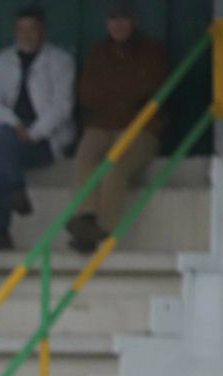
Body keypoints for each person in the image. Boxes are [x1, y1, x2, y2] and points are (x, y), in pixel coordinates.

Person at [0, 5, 76, 251]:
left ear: (43, 31)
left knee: (4, 156)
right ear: (15, 31)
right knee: (5, 139)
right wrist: (16, 125)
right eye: (22, 30)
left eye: (32, 30)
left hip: (45, 138)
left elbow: (62, 106)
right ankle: (16, 189)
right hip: (12, 132)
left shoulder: (61, 60)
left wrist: (33, 132)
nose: (27, 35)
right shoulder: (2, 59)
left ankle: (0, 230)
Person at [67, 2, 167, 254]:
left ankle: (103, 229)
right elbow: (87, 95)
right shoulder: (98, 53)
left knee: (114, 168)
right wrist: (126, 95)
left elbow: (149, 88)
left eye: (123, 19)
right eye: (113, 19)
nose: (118, 25)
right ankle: (86, 219)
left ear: (134, 21)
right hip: (102, 125)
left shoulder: (152, 52)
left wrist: (114, 94)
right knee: (85, 156)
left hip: (142, 127)